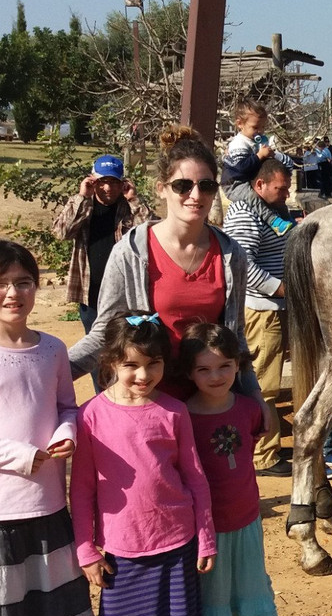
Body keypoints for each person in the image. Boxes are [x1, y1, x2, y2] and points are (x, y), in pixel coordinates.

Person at [68, 126, 270, 423]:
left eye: (206, 185)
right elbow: (103, 334)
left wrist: (254, 395)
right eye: (182, 186)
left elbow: (235, 336)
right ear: (162, 188)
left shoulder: (231, 255)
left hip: (210, 407)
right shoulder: (132, 252)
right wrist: (43, 370)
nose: (195, 195)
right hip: (149, 409)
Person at [70, 313, 216, 616]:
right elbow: (82, 488)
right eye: (131, 364)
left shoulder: (173, 411)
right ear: (110, 363)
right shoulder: (90, 418)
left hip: (178, 545)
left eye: (154, 364)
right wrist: (86, 550)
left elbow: (195, 477)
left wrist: (206, 536)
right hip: (122, 553)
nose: (143, 374)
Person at [0, 241, 95, 616]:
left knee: (41, 599)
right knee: (10, 604)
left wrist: (66, 433)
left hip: (49, 502)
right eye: (1, 284)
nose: (13, 293)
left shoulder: (54, 348)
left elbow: (66, 406)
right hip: (4, 508)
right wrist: (23, 456)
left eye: (22, 282)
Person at [179, 324, 280, 616]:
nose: (215, 376)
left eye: (224, 366)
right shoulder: (182, 417)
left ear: (238, 365)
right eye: (203, 369)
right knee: (211, 601)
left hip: (247, 522)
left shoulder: (250, 410)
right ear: (188, 373)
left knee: (249, 592)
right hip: (205, 530)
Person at [53, 154, 153, 391]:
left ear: (123, 183)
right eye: (102, 182)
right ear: (93, 181)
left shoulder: (128, 207)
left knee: (131, 348)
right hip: (90, 295)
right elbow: (61, 232)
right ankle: (103, 399)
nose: (108, 188)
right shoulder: (83, 205)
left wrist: (135, 199)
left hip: (125, 297)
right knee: (97, 353)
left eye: (114, 182)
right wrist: (81, 197)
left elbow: (152, 234)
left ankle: (128, 396)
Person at [223, 158, 294, 477]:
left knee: (269, 379)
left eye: (288, 189)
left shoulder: (269, 214)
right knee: (264, 383)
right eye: (281, 189)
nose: (286, 195)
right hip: (262, 311)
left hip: (274, 309)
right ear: (259, 185)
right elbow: (242, 265)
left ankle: (269, 443)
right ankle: (264, 454)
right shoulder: (245, 215)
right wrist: (281, 289)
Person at [221, 101, 294, 236]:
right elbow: (242, 167)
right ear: (240, 124)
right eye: (255, 127)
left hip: (247, 179)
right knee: (253, 199)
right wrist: (260, 156)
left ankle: (287, 219)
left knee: (279, 199)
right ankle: (274, 222)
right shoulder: (239, 144)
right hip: (234, 183)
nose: (259, 131)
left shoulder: (255, 141)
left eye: (262, 127)